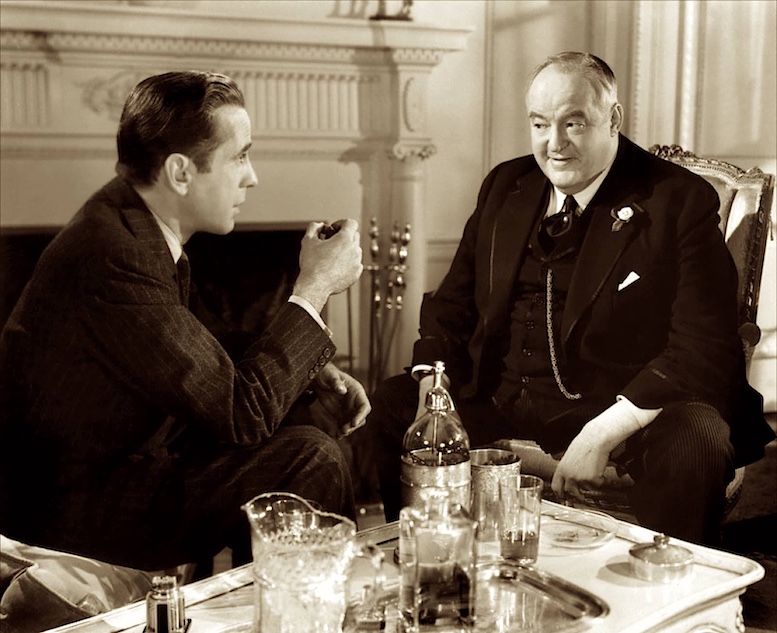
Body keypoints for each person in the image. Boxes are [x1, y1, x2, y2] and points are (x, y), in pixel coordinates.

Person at [367, 52, 775, 545]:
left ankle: (666, 585)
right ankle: (427, 557)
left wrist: (602, 433)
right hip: (500, 397)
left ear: (613, 119)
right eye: (540, 124)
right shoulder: (506, 185)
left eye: (573, 123)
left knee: (697, 438)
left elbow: (704, 344)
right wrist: (435, 386)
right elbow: (451, 304)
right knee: (393, 403)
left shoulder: (676, 200)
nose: (554, 144)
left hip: (616, 405)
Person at [0, 71, 370, 571]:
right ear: (180, 172)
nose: (252, 177)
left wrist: (310, 375)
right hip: (71, 507)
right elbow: (242, 412)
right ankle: (305, 605)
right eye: (239, 156)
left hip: (117, 465)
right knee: (308, 456)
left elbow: (201, 345)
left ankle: (266, 600)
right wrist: (315, 286)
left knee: (300, 425)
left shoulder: (129, 218)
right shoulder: (115, 254)